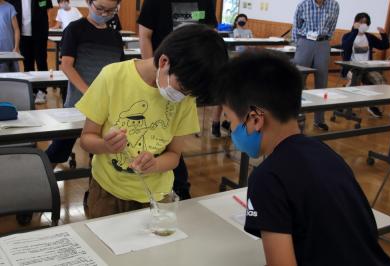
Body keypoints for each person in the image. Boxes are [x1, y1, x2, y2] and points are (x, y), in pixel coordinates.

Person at [214, 50, 390, 266]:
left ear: (255, 119)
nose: (230, 129)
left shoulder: (267, 179)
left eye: (230, 120)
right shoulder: (324, 152)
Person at [75, 24, 228, 218]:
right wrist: (106, 145)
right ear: (164, 62)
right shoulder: (113, 77)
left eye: (189, 93)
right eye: (182, 88)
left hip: (157, 197)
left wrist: (155, 164)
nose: (183, 96)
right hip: (107, 192)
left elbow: (174, 155)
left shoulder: (185, 98)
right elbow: (86, 139)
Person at [137, 0, 218, 199]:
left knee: (174, 137)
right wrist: (154, 73)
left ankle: (180, 187)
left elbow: (209, 37)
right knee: (150, 132)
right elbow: (145, 36)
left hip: (186, 80)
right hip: (164, 74)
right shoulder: (155, 3)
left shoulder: (206, 2)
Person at [45, 0, 124, 171]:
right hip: (78, 104)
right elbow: (66, 65)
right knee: (59, 149)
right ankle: (39, 181)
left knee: (99, 156)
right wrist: (90, 94)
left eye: (110, 11)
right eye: (100, 9)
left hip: (106, 108)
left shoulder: (115, 36)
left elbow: (121, 70)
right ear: (89, 3)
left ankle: (93, 191)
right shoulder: (75, 29)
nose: (104, 14)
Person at [292, 0, 339, 131]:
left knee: (322, 82)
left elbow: (332, 26)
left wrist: (325, 40)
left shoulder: (334, 5)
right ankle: (294, 117)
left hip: (323, 43)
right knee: (298, 80)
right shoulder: (303, 4)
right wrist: (300, 45)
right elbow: (296, 25)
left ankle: (319, 120)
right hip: (305, 41)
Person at [342, 12, 390, 118]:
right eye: (361, 22)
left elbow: (384, 45)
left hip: (367, 68)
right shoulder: (348, 36)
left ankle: (372, 105)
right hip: (352, 68)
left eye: (366, 23)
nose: (364, 25)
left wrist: (383, 35)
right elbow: (346, 46)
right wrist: (354, 31)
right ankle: (343, 105)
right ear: (355, 22)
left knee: (380, 81)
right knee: (355, 80)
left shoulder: (369, 37)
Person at [7, 0, 53, 104]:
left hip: (39, 34)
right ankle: (32, 90)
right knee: (27, 64)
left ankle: (42, 91)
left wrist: (48, 23)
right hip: (23, 36)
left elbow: (49, 8)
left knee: (41, 62)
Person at [0, 0, 20, 72]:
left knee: (10, 77)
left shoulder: (10, 7)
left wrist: (16, 47)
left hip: (9, 50)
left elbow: (16, 29)